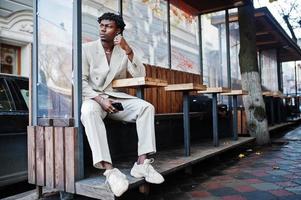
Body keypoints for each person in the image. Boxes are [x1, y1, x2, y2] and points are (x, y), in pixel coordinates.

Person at [81, 12, 164, 197]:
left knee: (146, 107)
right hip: (93, 98)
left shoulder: (122, 51)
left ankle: (142, 165)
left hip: (115, 98)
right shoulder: (86, 49)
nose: (103, 29)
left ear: (118, 31)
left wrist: (129, 51)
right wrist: (99, 100)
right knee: (88, 112)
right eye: (101, 25)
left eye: (108, 26)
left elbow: (139, 74)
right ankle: (110, 171)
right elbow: (78, 80)